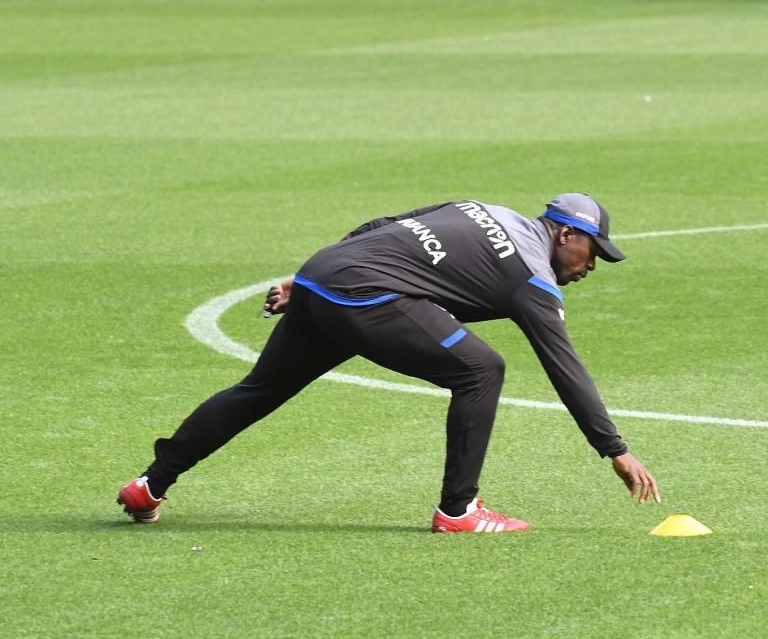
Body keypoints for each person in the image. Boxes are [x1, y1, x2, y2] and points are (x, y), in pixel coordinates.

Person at [116, 194, 661, 533]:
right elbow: (563, 365)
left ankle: (150, 484)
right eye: (593, 252)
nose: (593, 265)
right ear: (566, 235)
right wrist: (615, 450)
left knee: (257, 390)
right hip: (369, 296)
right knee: (481, 369)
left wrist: (307, 282)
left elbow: (382, 225)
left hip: (329, 272)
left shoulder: (482, 208)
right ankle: (458, 511)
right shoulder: (532, 278)